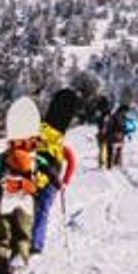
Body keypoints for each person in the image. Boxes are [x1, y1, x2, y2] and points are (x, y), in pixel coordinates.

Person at [0, 134, 65, 274]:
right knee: (22, 237)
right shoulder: (36, 159)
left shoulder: (3, 157)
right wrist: (58, 183)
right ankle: (16, 266)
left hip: (2, 202)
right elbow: (52, 175)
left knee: (0, 239)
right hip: (25, 202)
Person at [31, 90, 79, 255]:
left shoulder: (40, 139)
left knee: (32, 210)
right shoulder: (58, 144)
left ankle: (29, 242)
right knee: (42, 211)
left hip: (35, 179)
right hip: (52, 181)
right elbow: (71, 159)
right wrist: (65, 181)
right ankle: (35, 243)